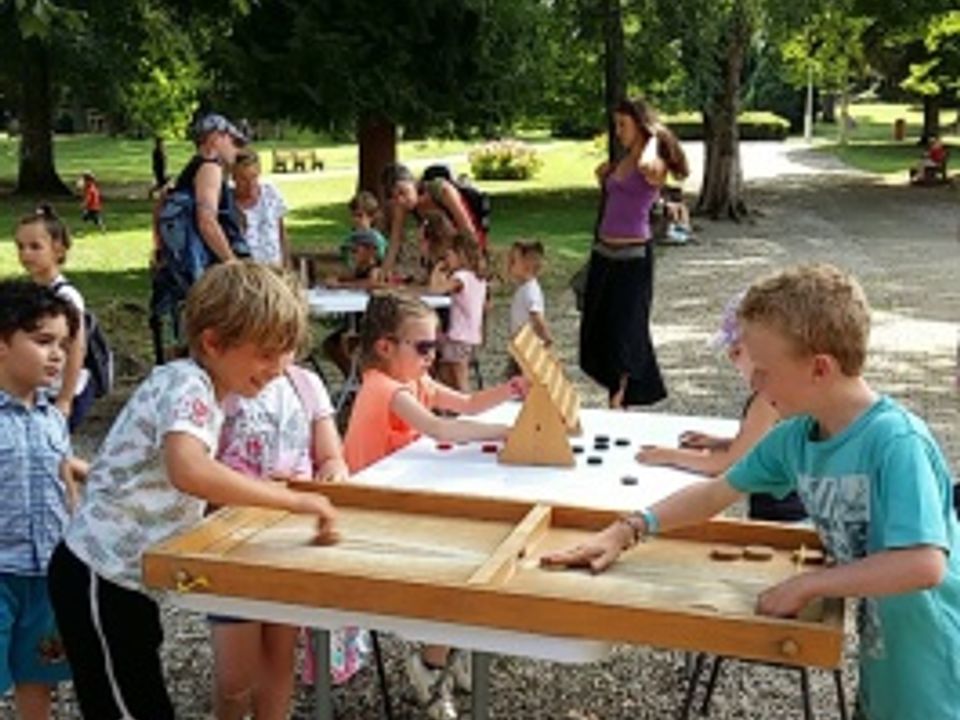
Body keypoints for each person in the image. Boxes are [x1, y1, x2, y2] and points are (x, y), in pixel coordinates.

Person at [544, 264, 960, 720]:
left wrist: (809, 584)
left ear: (820, 368)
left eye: (764, 371)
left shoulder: (897, 443)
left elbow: (922, 564)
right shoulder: (797, 437)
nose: (753, 383)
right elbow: (715, 493)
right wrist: (627, 529)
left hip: (941, 672)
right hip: (889, 665)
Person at [47, 262, 338, 720]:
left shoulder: (200, 386)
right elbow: (189, 470)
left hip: (125, 579)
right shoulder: (188, 385)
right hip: (99, 574)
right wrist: (293, 500)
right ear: (214, 343)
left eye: (286, 353)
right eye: (266, 353)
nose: (279, 369)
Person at [343, 290, 526, 720]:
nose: (432, 356)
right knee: (463, 561)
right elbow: (440, 428)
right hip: (370, 516)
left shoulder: (414, 380)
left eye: (436, 346)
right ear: (385, 347)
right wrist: (504, 432)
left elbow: (466, 404)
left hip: (400, 501)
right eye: (424, 347)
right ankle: (431, 662)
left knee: (475, 549)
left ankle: (445, 647)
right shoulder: (385, 387)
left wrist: (512, 388)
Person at [212, 361, 348, 720]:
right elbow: (201, 468)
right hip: (233, 546)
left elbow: (331, 456)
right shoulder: (224, 382)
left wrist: (333, 473)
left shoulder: (305, 383)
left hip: (289, 542)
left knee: (278, 659)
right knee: (234, 681)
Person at [635, 291, 806, 522]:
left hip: (785, 518)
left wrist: (668, 455)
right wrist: (719, 442)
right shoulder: (789, 387)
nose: (731, 359)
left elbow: (730, 464)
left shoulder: (768, 400)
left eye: (737, 351)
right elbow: (763, 443)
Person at [0, 280, 83, 720]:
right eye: (43, 341)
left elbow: (65, 482)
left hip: (46, 571)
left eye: (63, 345)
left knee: (39, 676)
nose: (57, 355)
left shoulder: (53, 418)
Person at [579, 98, 689, 408]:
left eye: (623, 125)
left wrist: (652, 137)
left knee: (626, 330)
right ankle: (615, 391)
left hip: (632, 258)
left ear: (640, 126)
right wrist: (606, 176)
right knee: (596, 327)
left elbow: (647, 167)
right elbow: (612, 190)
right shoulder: (624, 161)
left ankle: (620, 399)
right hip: (604, 254)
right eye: (616, 125)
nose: (617, 131)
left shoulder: (654, 165)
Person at [15, 205, 93, 431]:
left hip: (59, 392)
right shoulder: (28, 294)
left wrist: (65, 399)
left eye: (35, 247)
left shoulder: (66, 297)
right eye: (20, 247)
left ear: (58, 250)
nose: (25, 254)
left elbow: (77, 349)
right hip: (37, 390)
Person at [382, 163, 484, 278]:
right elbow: (395, 241)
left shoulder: (441, 190)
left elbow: (467, 229)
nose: (401, 200)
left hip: (465, 238)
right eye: (394, 197)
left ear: (413, 182)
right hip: (441, 244)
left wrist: (477, 261)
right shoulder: (401, 205)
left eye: (403, 192)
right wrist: (384, 271)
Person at [322, 230, 385, 377]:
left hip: (365, 323)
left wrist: (341, 286)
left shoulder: (376, 269)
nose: (353, 255)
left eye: (356, 251)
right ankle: (352, 376)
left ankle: (358, 377)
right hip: (353, 321)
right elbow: (349, 278)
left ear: (371, 251)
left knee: (341, 343)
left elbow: (371, 283)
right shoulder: (359, 269)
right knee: (330, 344)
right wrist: (336, 280)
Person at [429, 233, 487, 392]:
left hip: (459, 336)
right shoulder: (478, 277)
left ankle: (466, 404)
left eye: (449, 255)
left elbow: (436, 290)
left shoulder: (461, 277)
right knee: (447, 372)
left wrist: (437, 270)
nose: (447, 259)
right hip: (469, 335)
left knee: (459, 380)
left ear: (459, 255)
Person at [233, 148, 291, 266]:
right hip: (247, 271)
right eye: (243, 179)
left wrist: (287, 264)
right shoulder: (228, 203)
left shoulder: (270, 192)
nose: (250, 185)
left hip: (274, 267)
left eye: (254, 177)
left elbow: (281, 232)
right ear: (233, 177)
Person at [505, 240, 553, 376]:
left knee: (521, 380)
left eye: (513, 261)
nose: (508, 264)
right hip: (520, 347)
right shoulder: (525, 288)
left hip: (527, 348)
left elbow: (536, 317)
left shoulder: (530, 291)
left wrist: (547, 338)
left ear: (527, 266)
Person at [342, 191, 388, 262]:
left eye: (360, 216)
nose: (355, 219)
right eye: (353, 215)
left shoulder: (376, 238)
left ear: (371, 217)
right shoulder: (350, 238)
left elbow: (381, 257)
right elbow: (346, 257)